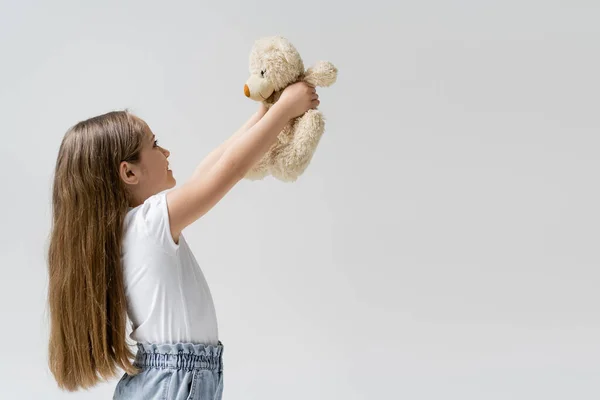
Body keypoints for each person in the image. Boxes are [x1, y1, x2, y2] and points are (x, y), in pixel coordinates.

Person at [46, 81, 319, 399]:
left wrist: (264, 112)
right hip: (175, 381)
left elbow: (209, 170)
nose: (166, 152)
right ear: (129, 173)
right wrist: (284, 110)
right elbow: (227, 172)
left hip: (170, 378)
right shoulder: (150, 223)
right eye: (155, 145)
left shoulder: (131, 228)